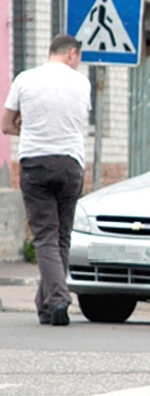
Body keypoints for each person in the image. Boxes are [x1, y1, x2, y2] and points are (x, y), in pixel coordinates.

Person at [1, 34, 90, 326]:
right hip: (70, 164)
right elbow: (77, 121)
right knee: (61, 237)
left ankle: (57, 299)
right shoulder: (81, 83)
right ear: (72, 54)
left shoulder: (25, 79)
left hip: (35, 163)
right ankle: (50, 305)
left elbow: (5, 124)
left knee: (45, 238)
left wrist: (25, 129)